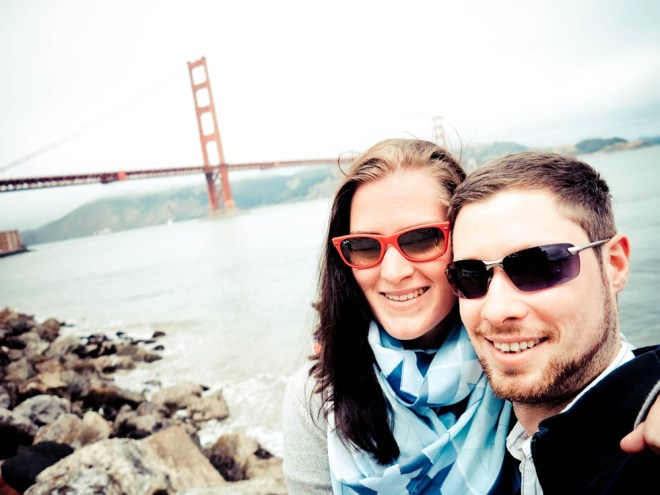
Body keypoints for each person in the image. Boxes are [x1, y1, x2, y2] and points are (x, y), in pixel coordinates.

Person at [282, 139, 660, 495]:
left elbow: (606, 367)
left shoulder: (516, 368)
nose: (394, 272)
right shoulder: (321, 394)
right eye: (364, 246)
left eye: (421, 239)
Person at [446, 151, 660, 494]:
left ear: (614, 265)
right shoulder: (478, 439)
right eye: (469, 275)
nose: (496, 310)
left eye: (538, 266)